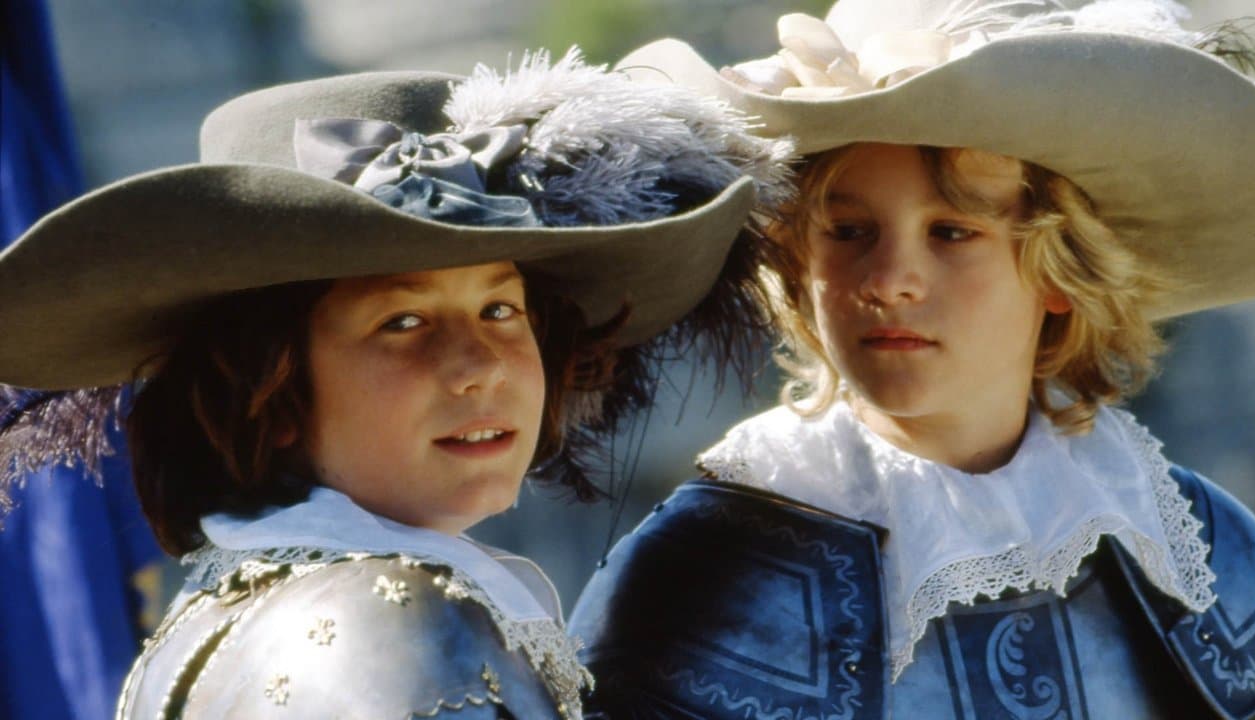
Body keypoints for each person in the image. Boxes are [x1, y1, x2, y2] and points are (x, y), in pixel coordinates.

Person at [0, 50, 792, 719]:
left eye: (499, 307)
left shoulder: (223, 616)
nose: (480, 363)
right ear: (267, 393)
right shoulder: (405, 625)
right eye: (403, 323)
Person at [568, 1, 1255, 718]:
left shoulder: (1197, 551)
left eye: (951, 231)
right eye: (848, 230)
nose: (887, 280)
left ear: (1060, 272)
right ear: (794, 259)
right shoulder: (700, 573)